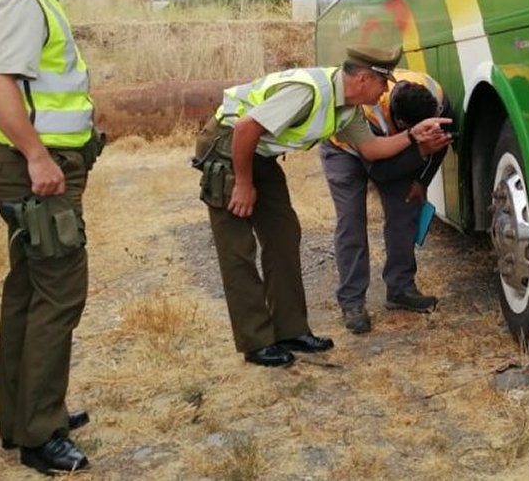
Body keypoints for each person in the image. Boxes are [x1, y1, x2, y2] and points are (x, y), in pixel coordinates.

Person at [194, 46, 451, 368]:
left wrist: (413, 136)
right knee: (238, 248)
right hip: (228, 147)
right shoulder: (307, 92)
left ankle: (290, 331)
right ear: (362, 79)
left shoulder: (347, 108)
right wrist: (244, 184)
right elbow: (246, 127)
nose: (386, 90)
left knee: (285, 236)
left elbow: (372, 149)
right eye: (382, 82)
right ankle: (256, 341)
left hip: (258, 153)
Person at [0, 0, 101, 475]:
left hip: (36, 169)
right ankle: (40, 433)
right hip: (36, 172)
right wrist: (37, 154)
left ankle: (26, 415)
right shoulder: (23, 0)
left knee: (29, 288)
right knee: (59, 292)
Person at [320, 70, 453, 334]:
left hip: (393, 146)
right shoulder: (368, 113)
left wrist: (421, 182)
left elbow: (442, 143)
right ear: (403, 123)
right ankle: (353, 302)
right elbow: (379, 172)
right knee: (352, 221)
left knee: (405, 205)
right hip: (344, 149)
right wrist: (419, 149)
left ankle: (400, 289)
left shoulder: (436, 99)